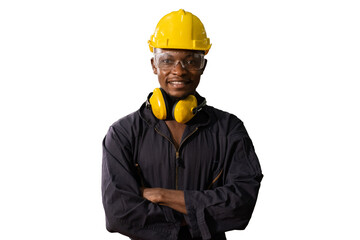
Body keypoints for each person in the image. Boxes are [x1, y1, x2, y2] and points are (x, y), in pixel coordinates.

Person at [102, 9, 263, 240]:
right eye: (167, 60)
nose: (178, 70)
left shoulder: (229, 129)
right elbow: (119, 213)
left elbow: (241, 205)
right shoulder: (122, 133)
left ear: (203, 66)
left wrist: (160, 195)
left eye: (191, 61)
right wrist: (197, 219)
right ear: (154, 65)